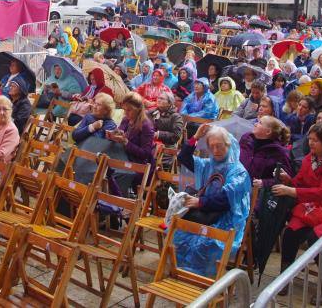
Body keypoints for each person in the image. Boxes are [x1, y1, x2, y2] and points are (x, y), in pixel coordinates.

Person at [273, 122, 322, 301]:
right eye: (310, 139)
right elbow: (301, 181)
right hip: (313, 208)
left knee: (317, 239)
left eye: (315, 140)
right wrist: (289, 180)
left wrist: (292, 191)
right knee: (290, 233)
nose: (311, 143)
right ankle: (285, 277)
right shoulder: (310, 158)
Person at [174, 124, 251, 276]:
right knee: (179, 235)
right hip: (205, 214)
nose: (215, 151)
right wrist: (195, 137)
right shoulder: (208, 164)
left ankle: (202, 281)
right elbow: (183, 157)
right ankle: (183, 276)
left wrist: (199, 202)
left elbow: (225, 199)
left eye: (219, 146)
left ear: (228, 145)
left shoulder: (238, 171)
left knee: (202, 243)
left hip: (227, 219)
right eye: (212, 146)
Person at [110, 93, 156, 185]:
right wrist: (113, 136)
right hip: (122, 157)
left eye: (129, 110)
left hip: (137, 164)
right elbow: (120, 132)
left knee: (111, 173)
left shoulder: (146, 126)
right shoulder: (126, 119)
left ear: (138, 109)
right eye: (124, 110)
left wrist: (126, 142)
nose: (126, 113)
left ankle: (116, 195)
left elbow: (145, 154)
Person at [239, 116, 293, 188]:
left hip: (257, 193)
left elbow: (285, 179)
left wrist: (264, 183)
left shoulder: (279, 152)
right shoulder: (246, 138)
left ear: (268, 131)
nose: (255, 124)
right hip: (237, 185)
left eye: (260, 123)